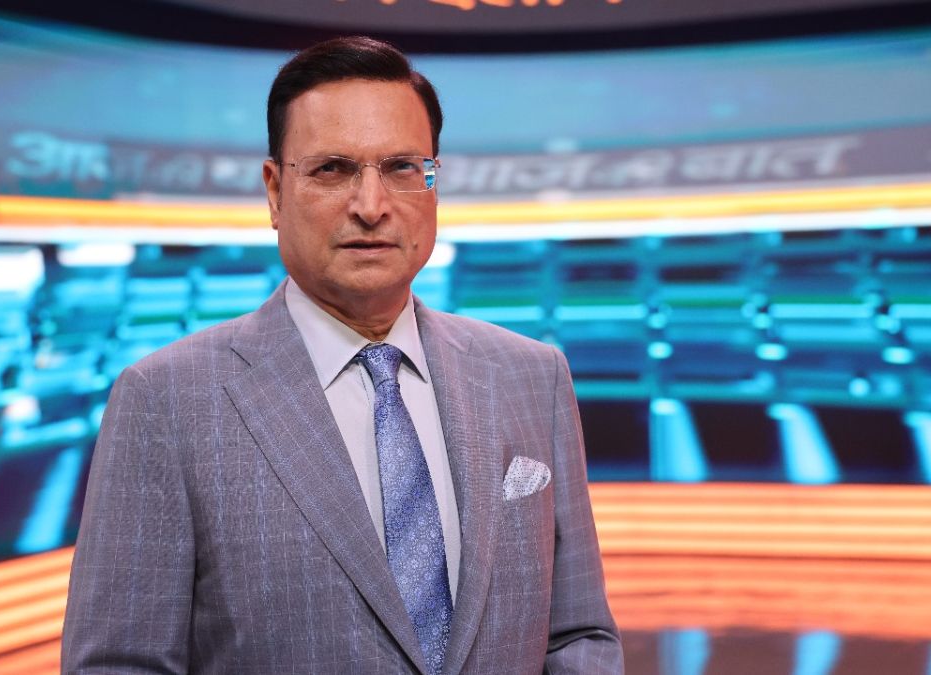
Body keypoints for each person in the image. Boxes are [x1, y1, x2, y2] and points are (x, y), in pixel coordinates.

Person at [62, 36, 622, 675]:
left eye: (402, 168)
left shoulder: (531, 376)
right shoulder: (166, 400)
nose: (371, 206)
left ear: (433, 183)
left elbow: (578, 637)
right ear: (275, 191)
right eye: (332, 169)